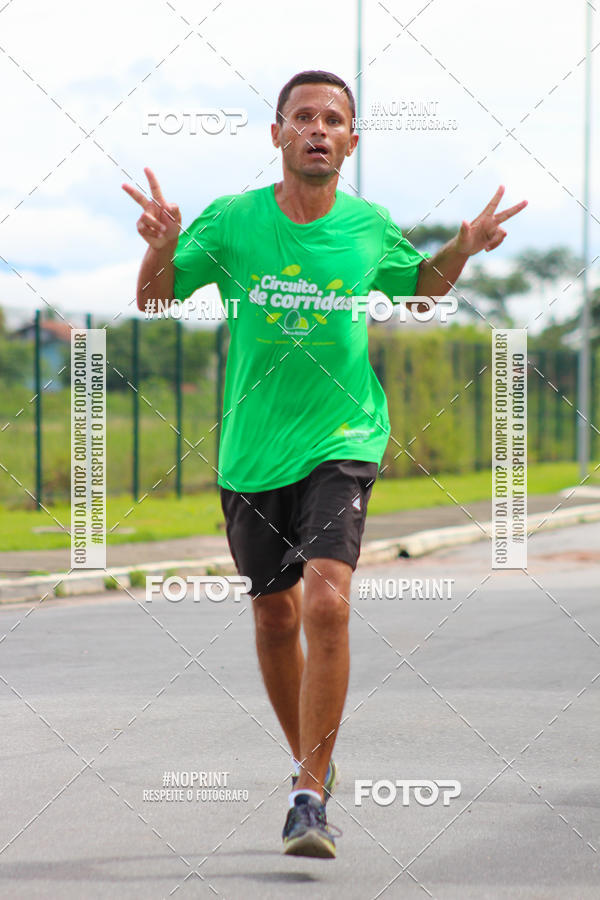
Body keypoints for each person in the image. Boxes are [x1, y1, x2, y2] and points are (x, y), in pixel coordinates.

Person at [123, 69, 527, 859]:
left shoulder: (369, 225)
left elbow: (420, 291)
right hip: (251, 450)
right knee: (274, 616)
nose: (317, 128)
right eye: (301, 116)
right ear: (276, 135)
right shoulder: (235, 221)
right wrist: (164, 249)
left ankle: (308, 795)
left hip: (344, 435)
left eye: (332, 118)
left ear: (351, 140)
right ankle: (314, 760)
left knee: (328, 604)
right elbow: (155, 299)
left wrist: (463, 249)